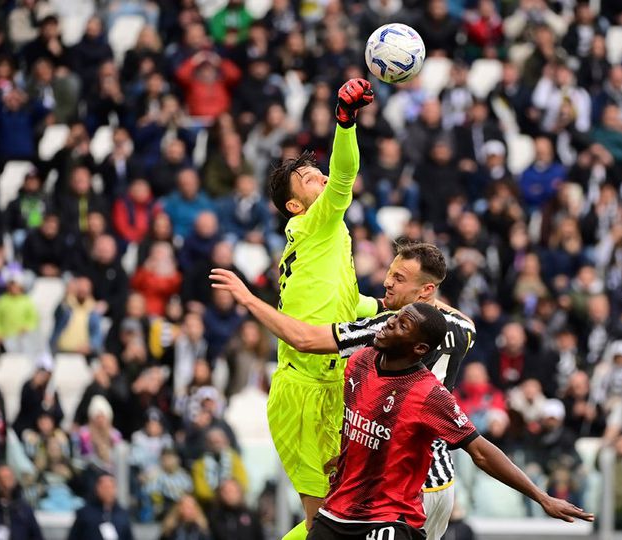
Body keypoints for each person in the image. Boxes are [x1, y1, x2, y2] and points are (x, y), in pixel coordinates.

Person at [212, 241, 476, 539]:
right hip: (440, 481)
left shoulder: (387, 331)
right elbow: (443, 313)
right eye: (390, 272)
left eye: (399, 278)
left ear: (426, 290)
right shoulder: (464, 327)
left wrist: (248, 300)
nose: (387, 281)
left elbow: (306, 340)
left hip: (399, 488)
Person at [298, 302, 590, 539]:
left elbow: (481, 452)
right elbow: (361, 420)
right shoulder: (361, 361)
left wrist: (542, 497)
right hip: (337, 511)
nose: (389, 322)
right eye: (396, 317)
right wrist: (350, 455)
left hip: (388, 519)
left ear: (420, 349)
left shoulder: (428, 393)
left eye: (402, 324)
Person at [255, 76, 374, 536]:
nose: (322, 179)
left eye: (318, 173)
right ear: (294, 205)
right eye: (309, 179)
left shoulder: (321, 237)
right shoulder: (318, 224)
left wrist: (380, 306)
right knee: (324, 524)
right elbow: (345, 174)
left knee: (342, 519)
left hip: (328, 386)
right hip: (304, 391)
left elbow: (342, 299)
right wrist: (345, 122)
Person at [68, 473, 133, 540]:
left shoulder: (122, 514)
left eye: (110, 487)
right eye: (104, 487)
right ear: (97, 488)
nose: (108, 491)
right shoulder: (85, 514)